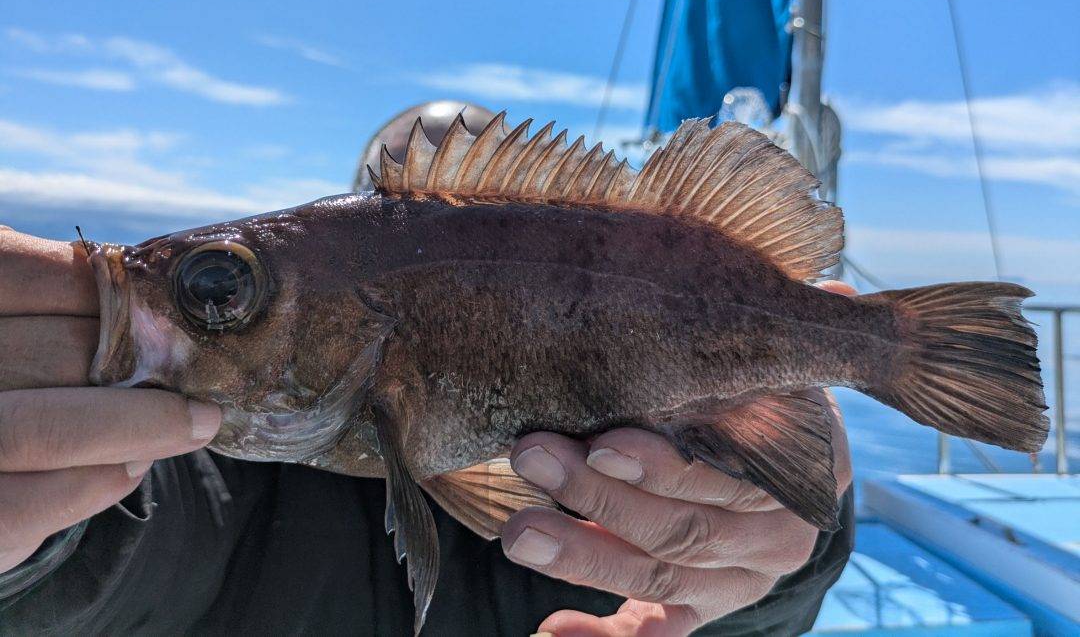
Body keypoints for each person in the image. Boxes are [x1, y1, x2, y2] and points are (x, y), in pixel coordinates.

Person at [0, 103, 855, 636]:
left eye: (222, 286)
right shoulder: (208, 467)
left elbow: (739, 611)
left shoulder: (606, 521)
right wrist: (33, 542)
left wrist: (788, 529)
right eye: (222, 287)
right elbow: (128, 551)